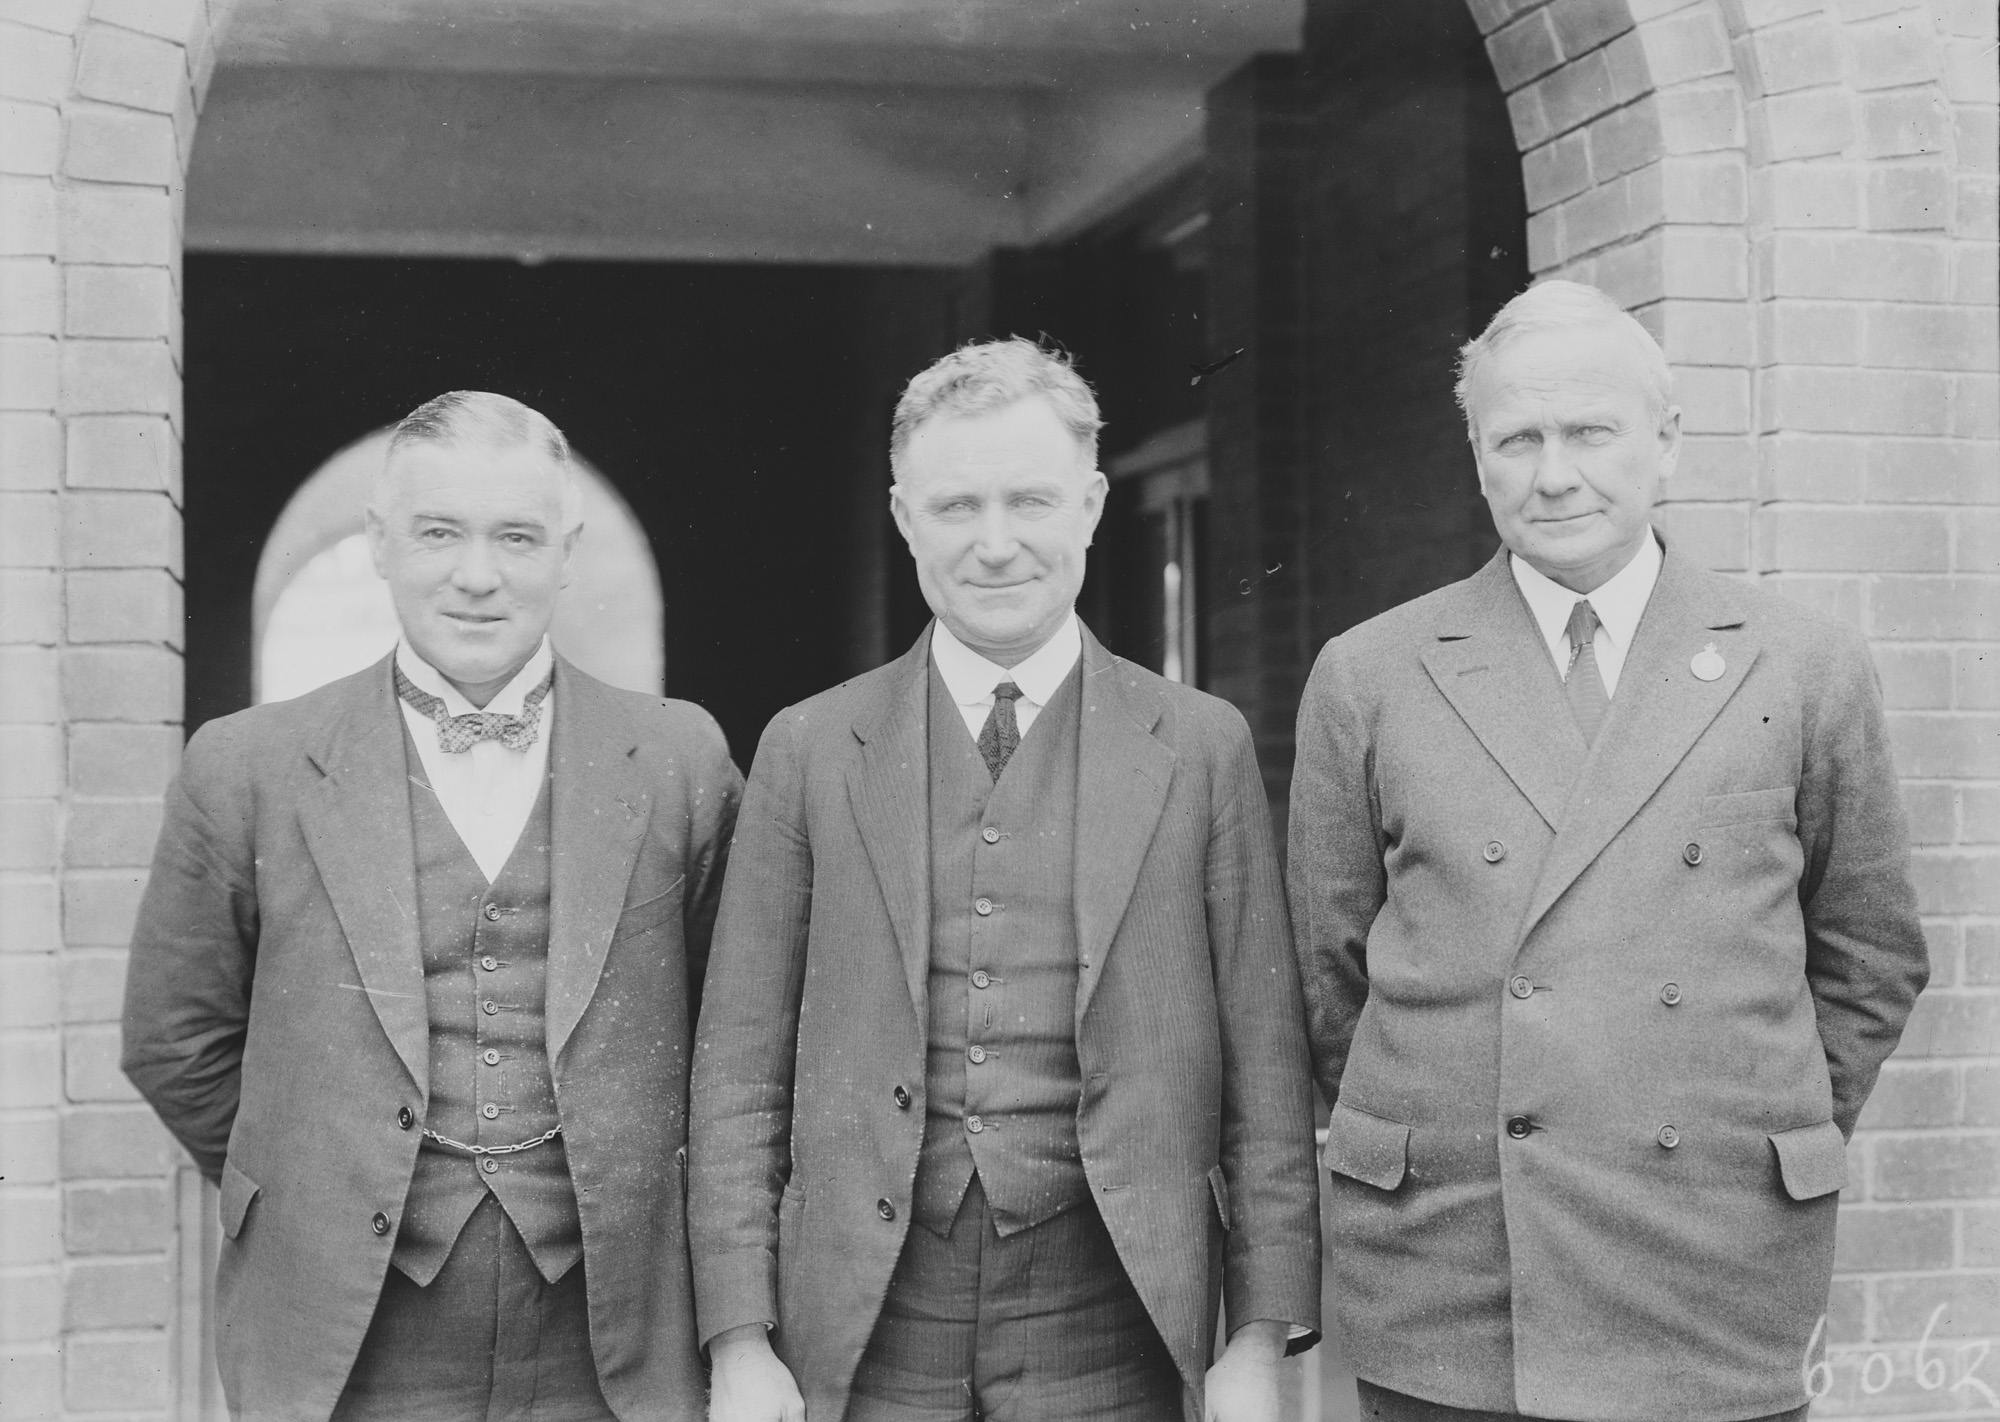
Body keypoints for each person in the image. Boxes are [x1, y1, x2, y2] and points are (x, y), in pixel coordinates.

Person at [1288, 280, 1929, 1422]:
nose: (1554, 475)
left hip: (1709, 1263)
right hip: (1458, 1274)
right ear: (1476, 457)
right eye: (1516, 439)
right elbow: (1326, 972)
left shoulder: (1801, 664)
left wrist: (1746, 1123)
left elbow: (1868, 954)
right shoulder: (1371, 673)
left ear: (1665, 441)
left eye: (1589, 432)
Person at [689, 338, 1320, 1422]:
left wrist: (1258, 1340)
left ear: (1092, 506)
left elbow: (1264, 1072)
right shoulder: (808, 746)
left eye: (1030, 501)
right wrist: (741, 1342)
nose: (994, 544)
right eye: (955, 507)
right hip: (869, 1312)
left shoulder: (1201, 745)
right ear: (903, 518)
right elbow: (740, 1070)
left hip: (1113, 1309)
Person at [121, 391, 741, 1422]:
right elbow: (173, 1040)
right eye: (439, 533)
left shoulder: (680, 758)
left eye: (517, 537)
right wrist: (315, 1182)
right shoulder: (248, 766)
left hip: (616, 1328)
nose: (478, 574)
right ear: (379, 542)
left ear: (567, 552)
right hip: (349, 1336)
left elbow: (739, 1043)